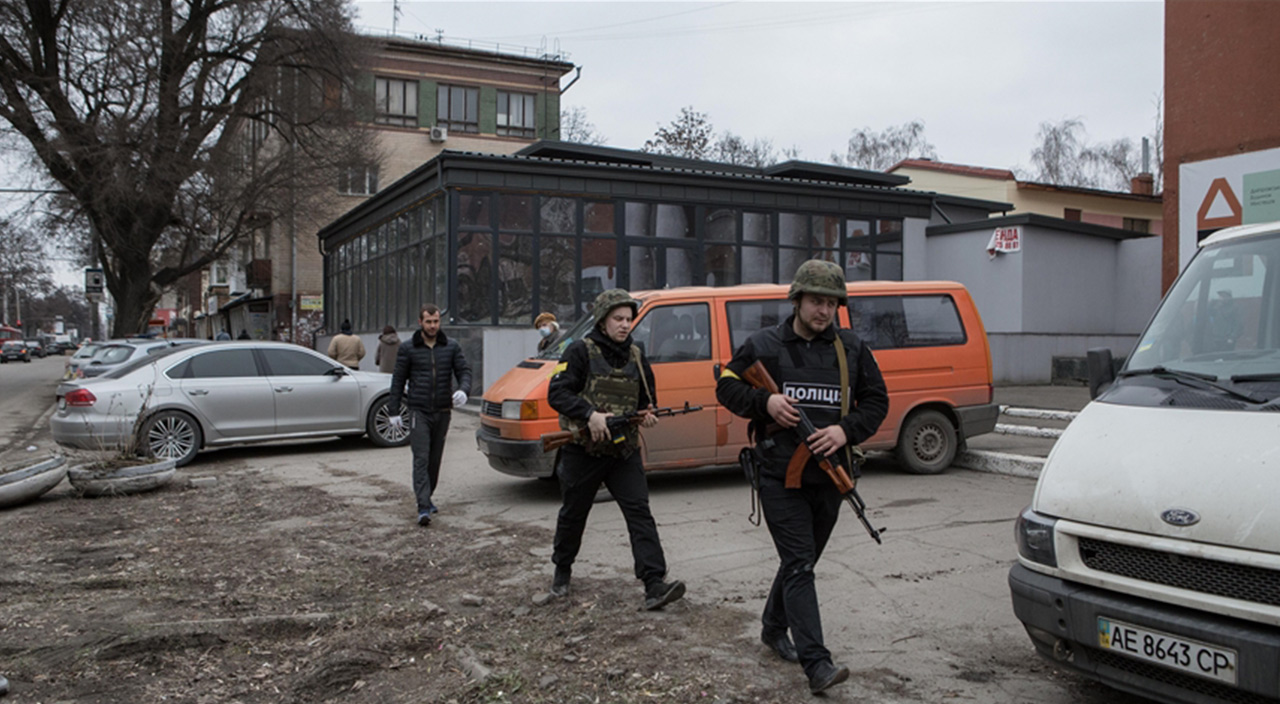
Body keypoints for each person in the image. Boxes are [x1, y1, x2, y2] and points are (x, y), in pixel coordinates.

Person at [715, 259, 889, 695]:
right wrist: (764, 404)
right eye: (816, 301)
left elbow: (877, 401)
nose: (824, 310)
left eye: (832, 303)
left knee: (802, 561)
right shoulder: (766, 344)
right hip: (778, 475)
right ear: (797, 300)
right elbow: (726, 384)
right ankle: (818, 664)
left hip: (830, 478)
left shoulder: (851, 349)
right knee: (799, 564)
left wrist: (843, 430)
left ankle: (774, 626)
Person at [545, 288, 686, 611]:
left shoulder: (636, 353)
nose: (625, 325)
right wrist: (589, 415)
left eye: (628, 319)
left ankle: (654, 584)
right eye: (618, 319)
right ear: (603, 320)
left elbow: (646, 401)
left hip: (624, 451)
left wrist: (647, 415)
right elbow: (557, 393)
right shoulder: (578, 351)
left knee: (640, 514)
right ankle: (562, 571)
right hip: (584, 452)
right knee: (573, 515)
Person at [387, 305, 472, 526]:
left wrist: (464, 389)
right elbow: (398, 380)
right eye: (428, 322)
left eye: (436, 322)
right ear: (420, 322)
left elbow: (464, 371)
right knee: (421, 457)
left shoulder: (450, 346)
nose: (433, 326)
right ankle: (423, 506)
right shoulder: (408, 349)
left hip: (443, 411)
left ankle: (427, 496)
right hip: (419, 411)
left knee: (434, 460)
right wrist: (393, 411)